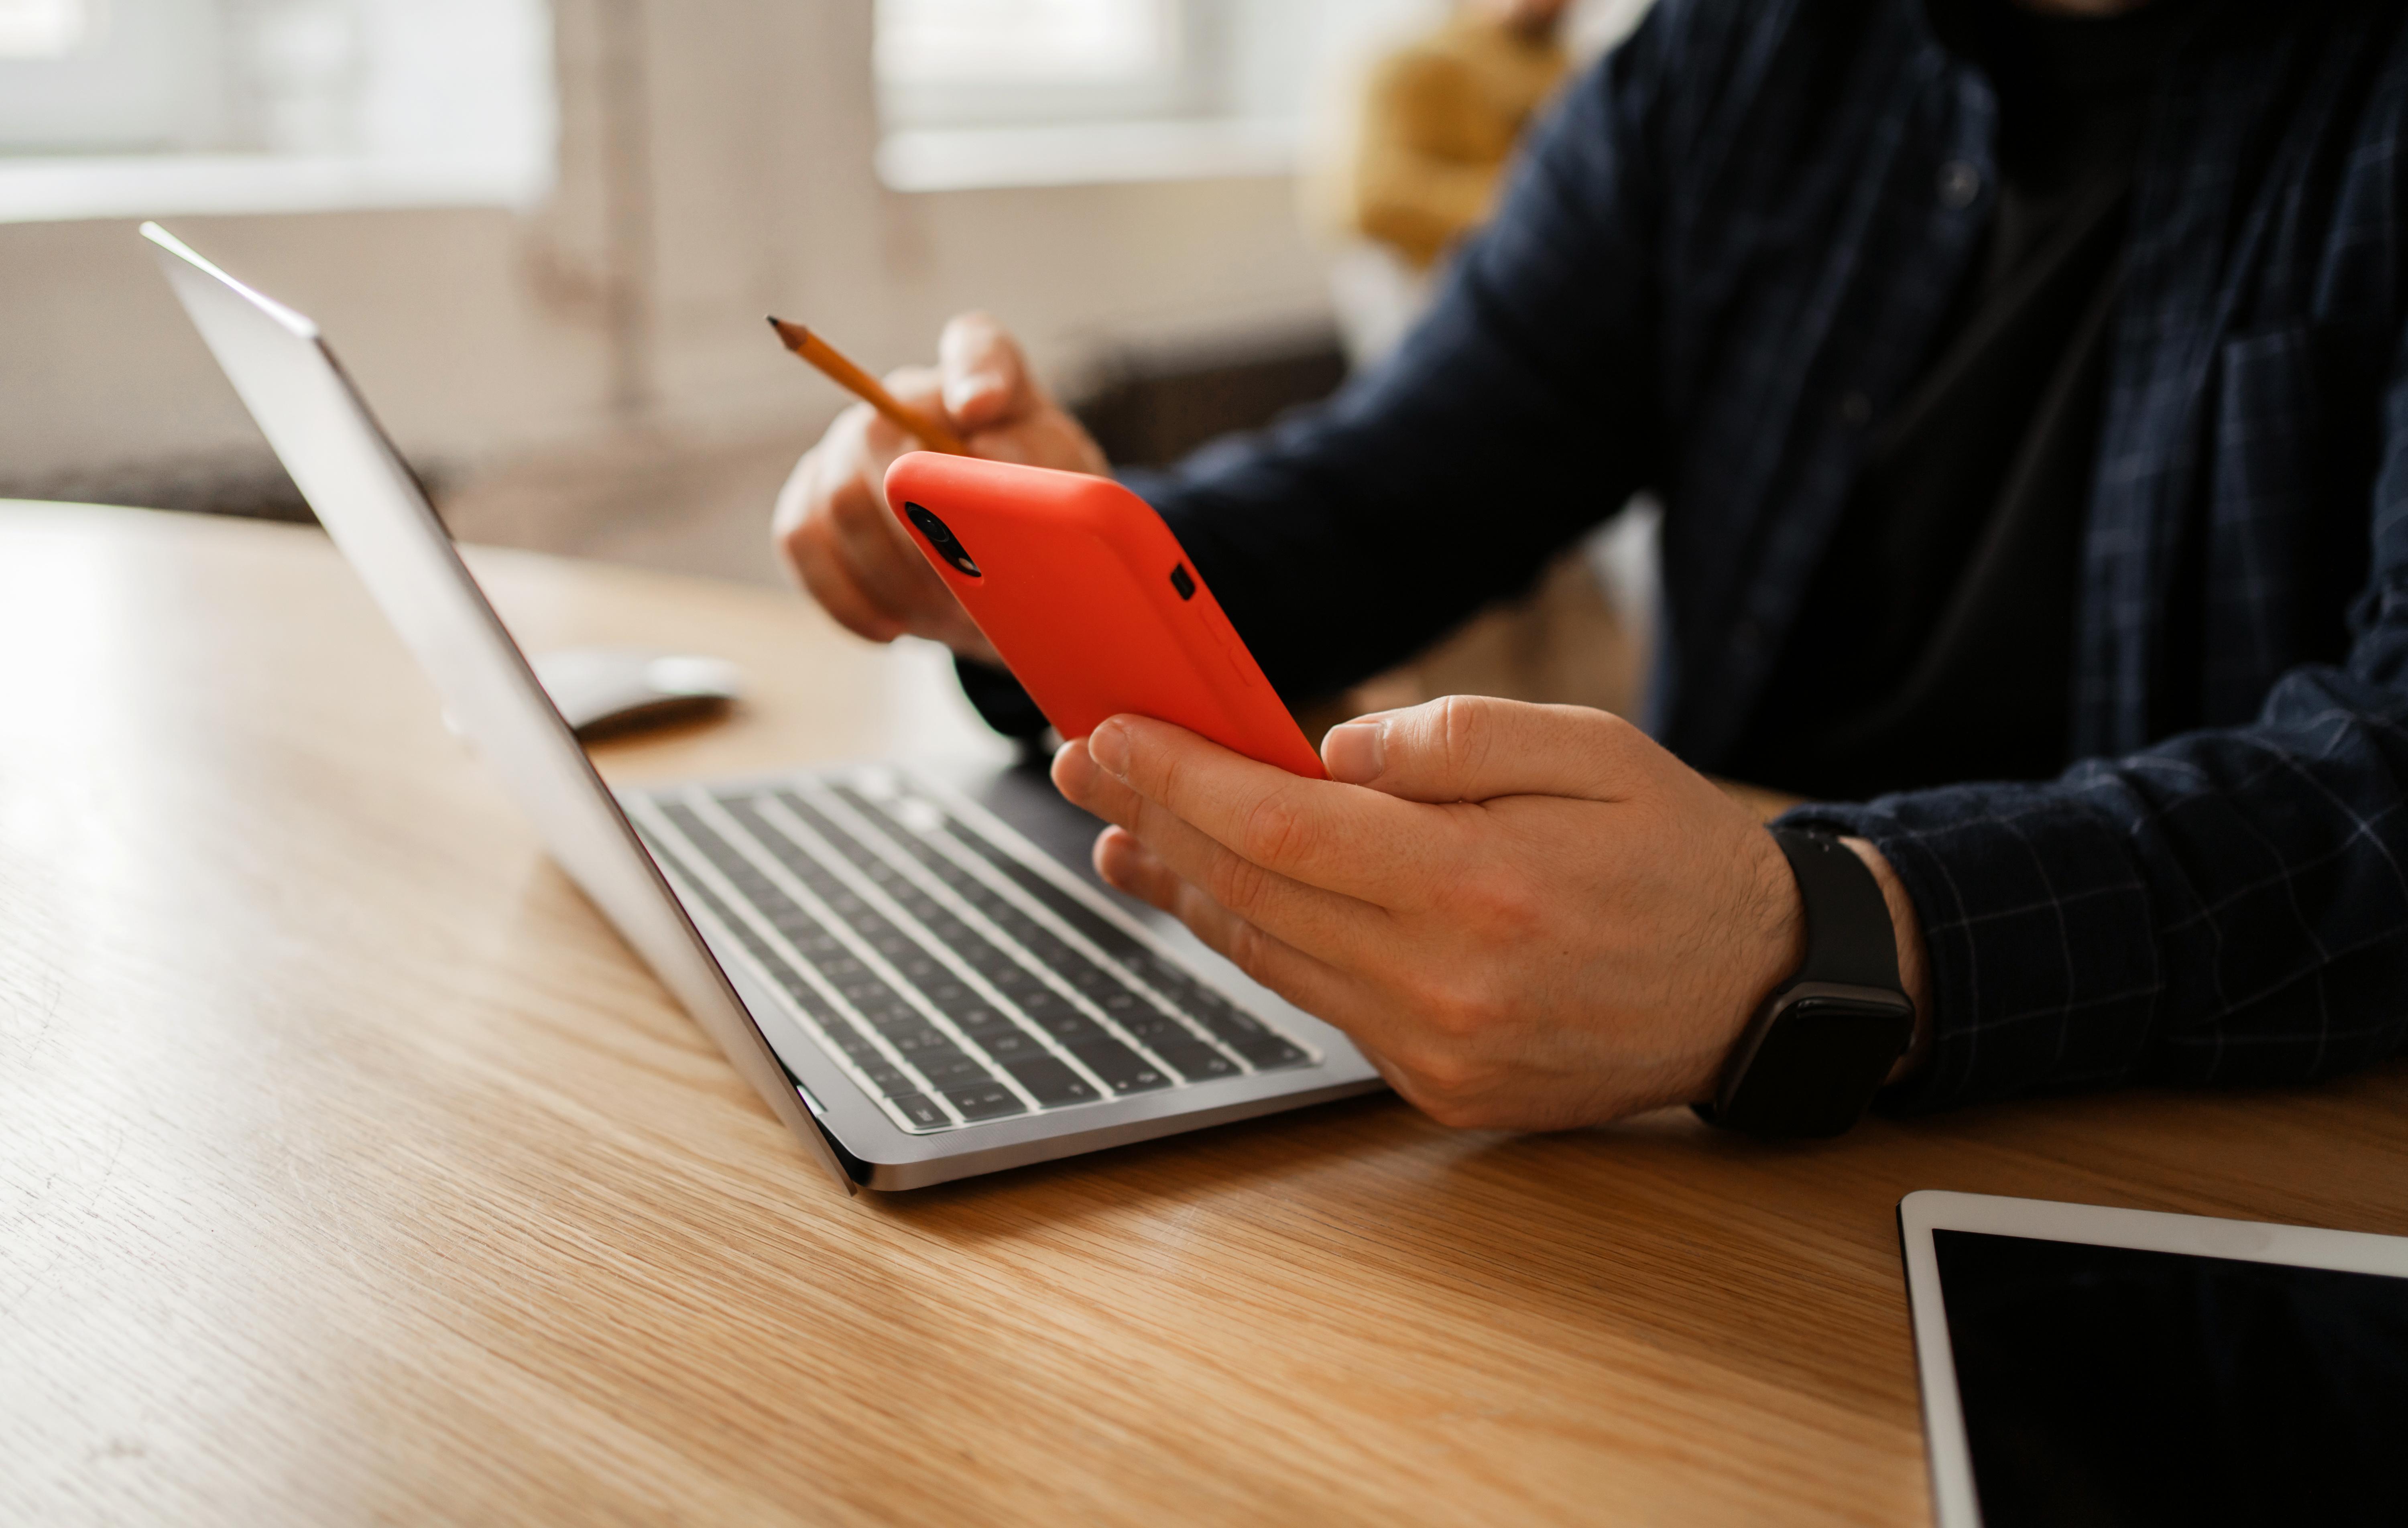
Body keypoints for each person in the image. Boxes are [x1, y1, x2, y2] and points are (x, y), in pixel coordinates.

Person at [774, 0, 2408, 1135]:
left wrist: (1824, 934)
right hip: (1692, 1162)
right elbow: (1392, 490)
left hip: (2226, 1196)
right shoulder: (1737, 57)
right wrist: (1038, 553)